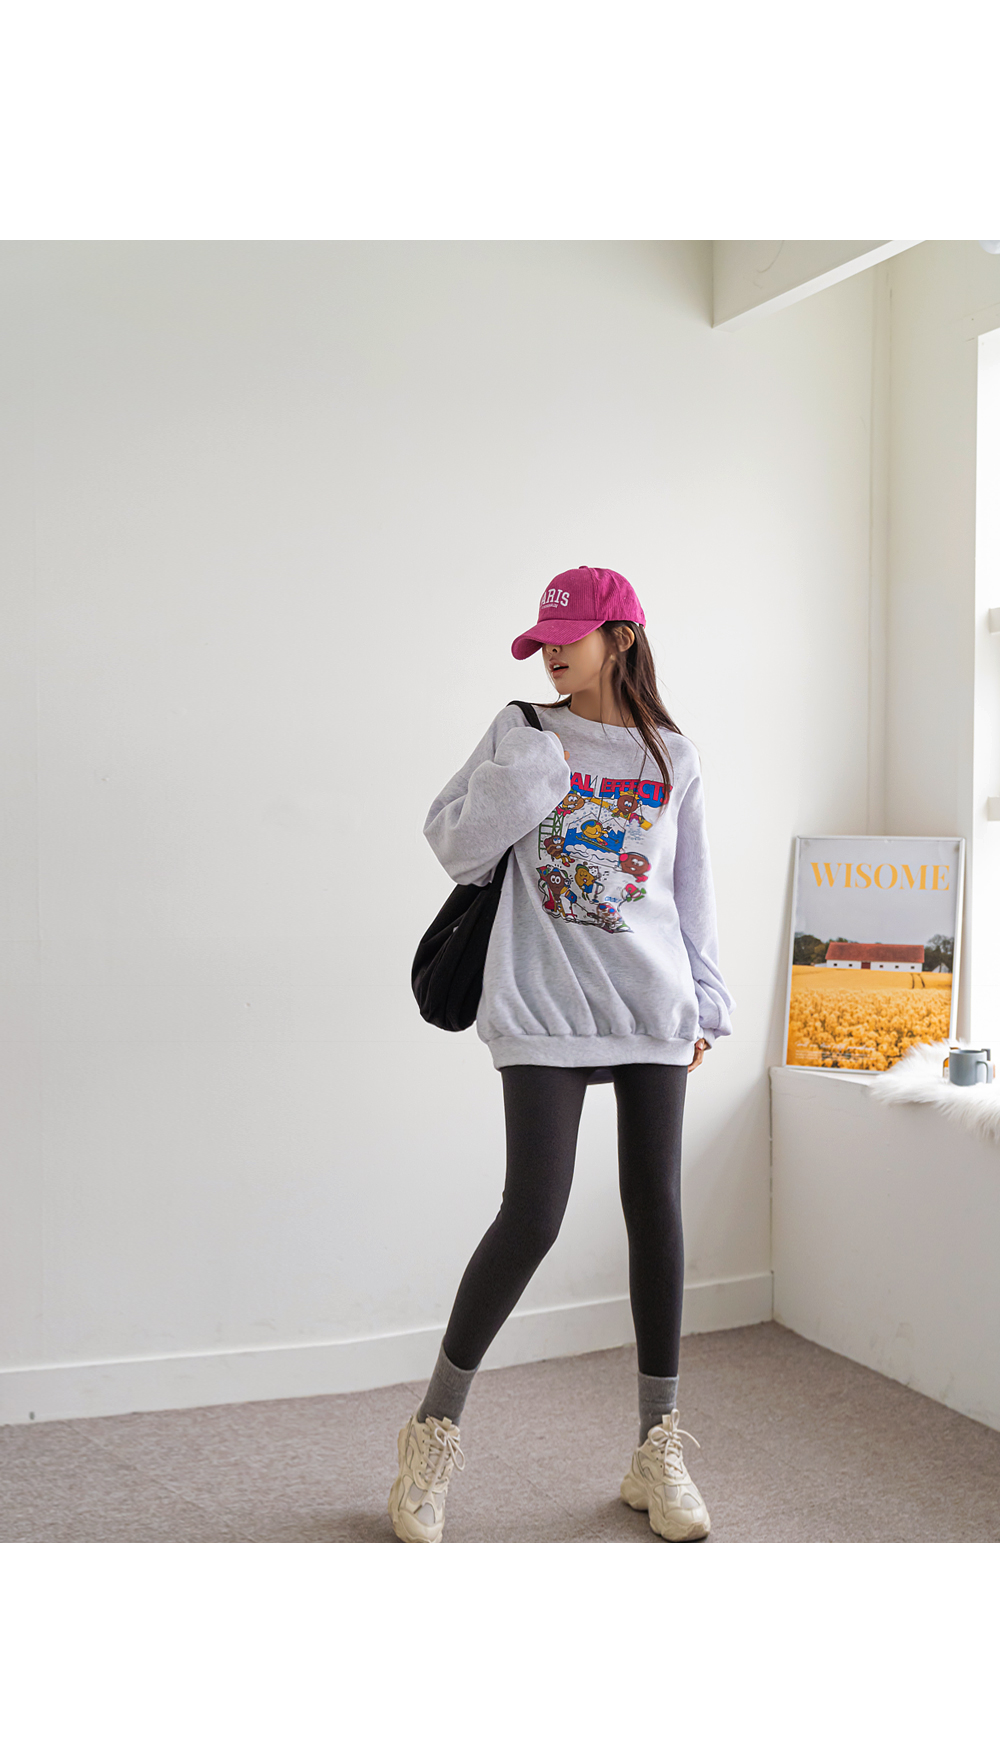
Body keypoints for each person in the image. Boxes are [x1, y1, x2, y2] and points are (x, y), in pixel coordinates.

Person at [388, 566, 733, 1543]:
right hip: (541, 1004)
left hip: (650, 1004)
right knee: (532, 1214)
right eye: (541, 638)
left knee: (655, 1210)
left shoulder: (673, 755)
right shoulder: (523, 732)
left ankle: (656, 1444)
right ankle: (431, 1432)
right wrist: (531, 777)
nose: (549, 652)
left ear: (619, 637)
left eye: (567, 635)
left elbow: (691, 893)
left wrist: (707, 1004)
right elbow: (455, 846)